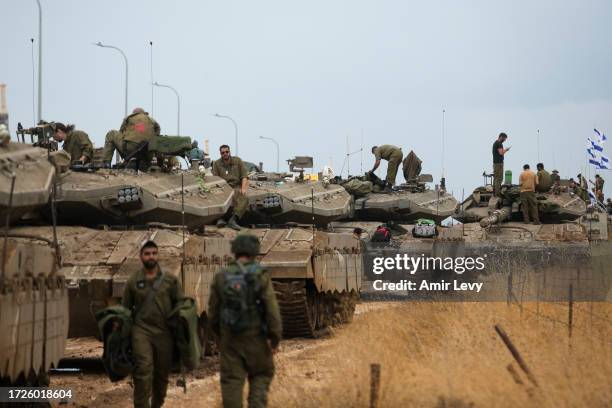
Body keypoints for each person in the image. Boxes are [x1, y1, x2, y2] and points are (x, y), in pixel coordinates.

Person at [208, 234, 282, 408]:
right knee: (261, 374)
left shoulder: (221, 276)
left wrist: (222, 336)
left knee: (231, 380)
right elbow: (272, 310)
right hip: (256, 338)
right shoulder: (260, 275)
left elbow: (212, 314)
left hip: (231, 339)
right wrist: (275, 337)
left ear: (234, 251)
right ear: (254, 252)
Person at [122, 241, 183, 408]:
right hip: (141, 331)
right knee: (143, 370)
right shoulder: (133, 281)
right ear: (141, 256)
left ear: (158, 255)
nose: (151, 257)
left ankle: (157, 405)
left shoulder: (170, 280)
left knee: (161, 375)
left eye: (154, 253)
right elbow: (125, 309)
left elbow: (180, 304)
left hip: (164, 332)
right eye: (147, 254)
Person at [212, 145, 249, 230]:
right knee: (215, 197)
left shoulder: (237, 161)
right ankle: (219, 218)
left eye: (226, 152)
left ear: (229, 152)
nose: (225, 154)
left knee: (244, 198)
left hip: (236, 187)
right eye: (223, 153)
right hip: (224, 187)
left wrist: (243, 189)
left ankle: (233, 220)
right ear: (220, 153)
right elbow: (216, 179)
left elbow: (244, 176)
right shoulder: (217, 164)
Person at [492, 133, 510, 197]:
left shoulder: (495, 143)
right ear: (501, 137)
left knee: (496, 178)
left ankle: (495, 192)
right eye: (504, 139)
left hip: (495, 163)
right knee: (499, 178)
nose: (505, 140)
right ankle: (497, 194)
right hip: (499, 163)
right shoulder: (499, 143)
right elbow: (501, 153)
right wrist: (506, 150)